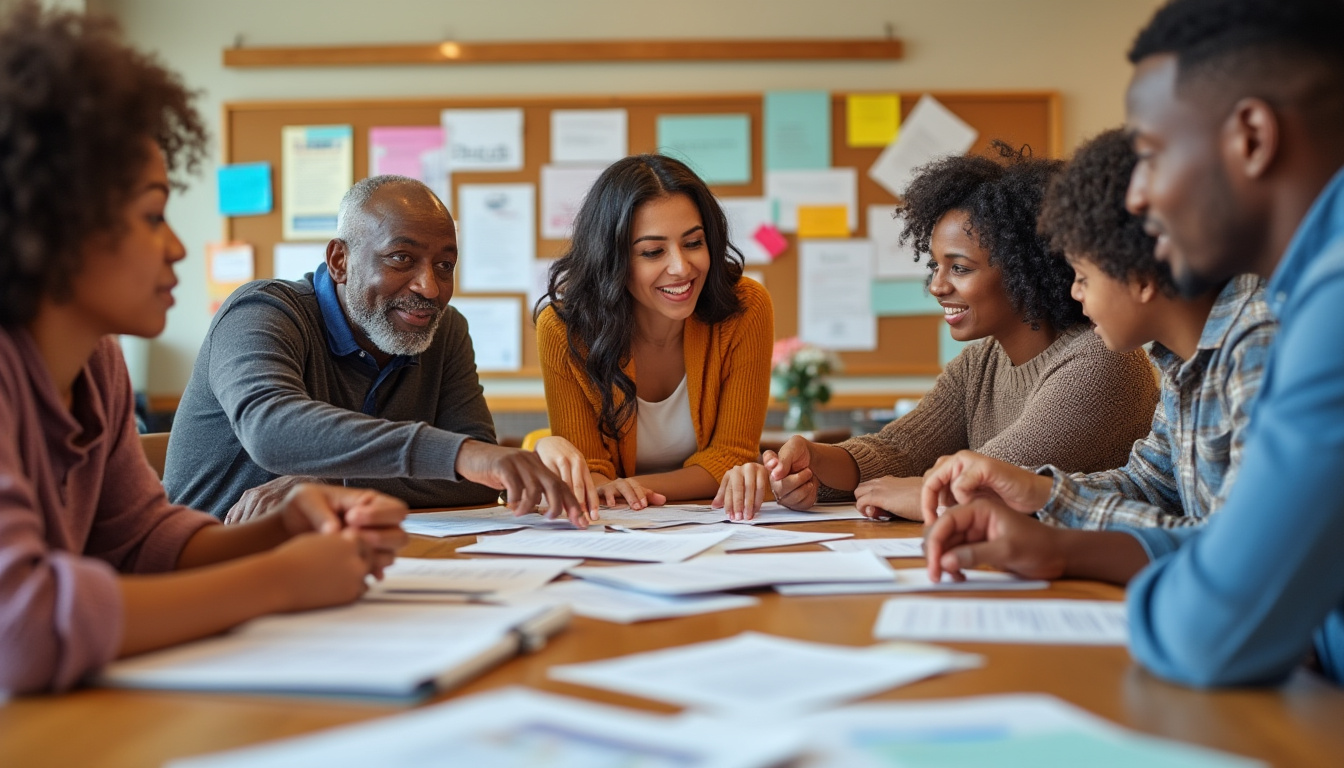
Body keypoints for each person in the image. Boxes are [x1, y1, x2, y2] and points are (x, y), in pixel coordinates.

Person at [924, 0, 1344, 688]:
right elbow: (1199, 524)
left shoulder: (1316, 306)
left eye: (1149, 156)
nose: (1138, 199)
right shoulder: (1299, 294)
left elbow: (1217, 629)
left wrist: (1154, 576)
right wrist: (1061, 539)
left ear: (1251, 136)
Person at [0, 2, 408, 694]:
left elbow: (137, 544)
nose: (178, 245)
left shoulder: (93, 363)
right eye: (153, 214)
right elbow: (21, 629)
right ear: (56, 223)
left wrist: (280, 531)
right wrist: (279, 580)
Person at [761, 142, 1160, 520]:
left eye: (960, 268)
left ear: (1026, 270)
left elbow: (984, 480)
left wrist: (923, 491)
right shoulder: (980, 363)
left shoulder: (1100, 361)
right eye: (935, 266)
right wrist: (812, 463)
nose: (936, 286)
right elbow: (899, 450)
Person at [164, 175, 586, 527]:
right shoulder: (261, 311)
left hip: (344, 568)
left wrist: (335, 483)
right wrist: (457, 454)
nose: (430, 287)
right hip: (206, 563)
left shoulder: (445, 331)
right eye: (401, 258)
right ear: (339, 261)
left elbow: (475, 480)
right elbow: (270, 429)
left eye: (444, 265)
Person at [931, 128, 1275, 533]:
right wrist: (1034, 490)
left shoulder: (1258, 348)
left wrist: (1056, 542)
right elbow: (1152, 484)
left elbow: (1239, 541)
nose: (1074, 293)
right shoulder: (1181, 361)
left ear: (1141, 276)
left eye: (1082, 276)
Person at [534, 154, 774, 519]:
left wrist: (630, 490)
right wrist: (607, 488)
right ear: (611, 259)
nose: (680, 267)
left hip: (714, 524)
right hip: (614, 533)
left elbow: (731, 457)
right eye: (652, 251)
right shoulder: (565, 328)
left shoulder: (745, 308)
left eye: (693, 243)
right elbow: (590, 470)